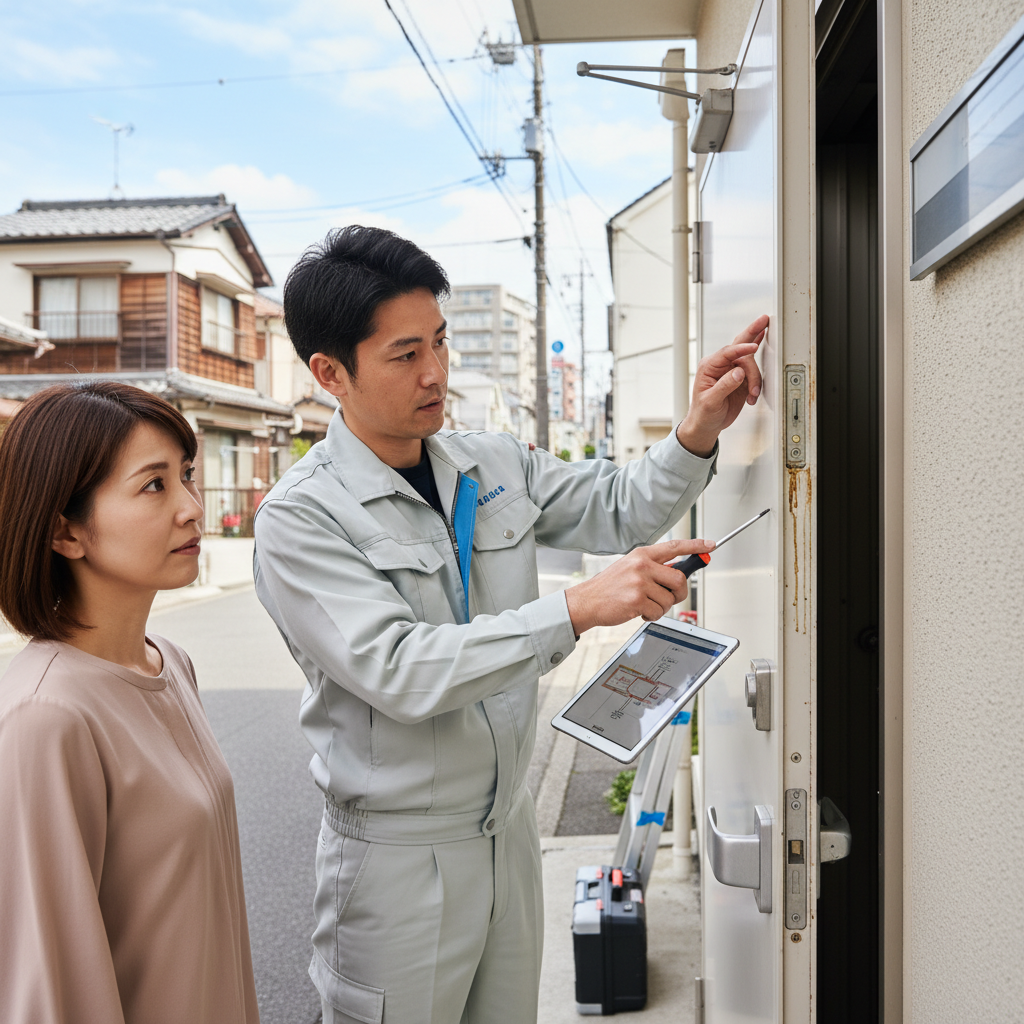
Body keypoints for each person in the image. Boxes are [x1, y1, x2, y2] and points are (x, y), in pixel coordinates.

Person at [253, 225, 767, 1024]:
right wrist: (575, 607)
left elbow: (618, 505)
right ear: (330, 373)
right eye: (404, 354)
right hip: (396, 860)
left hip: (509, 832)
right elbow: (400, 670)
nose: (436, 373)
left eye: (442, 342)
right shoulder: (302, 519)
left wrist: (698, 428)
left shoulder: (488, 462)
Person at [0, 382, 260, 1024]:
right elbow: (50, 985)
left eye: (187, 477)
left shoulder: (170, 662)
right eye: (154, 485)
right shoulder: (47, 716)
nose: (192, 508)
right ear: (65, 531)